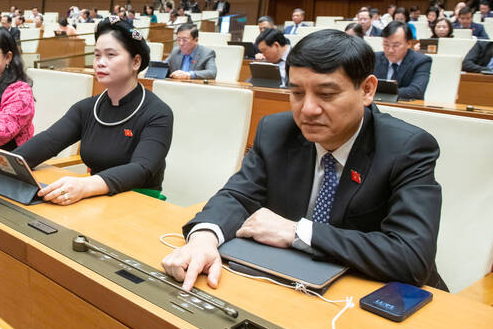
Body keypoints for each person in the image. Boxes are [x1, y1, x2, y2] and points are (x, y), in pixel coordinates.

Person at [162, 29, 446, 291]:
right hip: (296, 282)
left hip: (378, 294)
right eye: (297, 93)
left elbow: (411, 256)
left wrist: (297, 232)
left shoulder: (407, 149)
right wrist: (204, 239)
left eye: (326, 94)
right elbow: (237, 196)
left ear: (367, 90)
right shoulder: (277, 131)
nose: (307, 110)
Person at [0, 17, 173, 204]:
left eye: (111, 55)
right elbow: (48, 141)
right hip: (96, 199)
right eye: (97, 55)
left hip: (139, 202)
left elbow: (143, 168)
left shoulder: (157, 113)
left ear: (135, 62)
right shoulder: (88, 108)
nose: (100, 63)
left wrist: (86, 185)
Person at [373, 21, 431, 100]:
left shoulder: (421, 61)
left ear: (409, 44)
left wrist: (381, 93)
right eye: (386, 44)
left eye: (396, 45)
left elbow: (416, 91)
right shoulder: (374, 58)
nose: (390, 50)